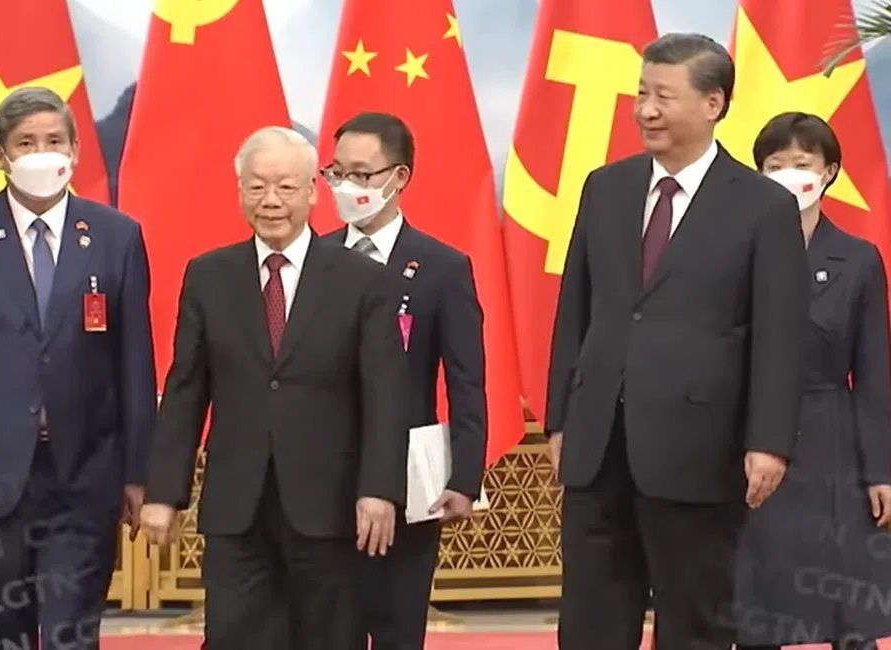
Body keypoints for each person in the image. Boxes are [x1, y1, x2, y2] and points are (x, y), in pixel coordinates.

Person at [545, 34, 809, 650]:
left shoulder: (764, 206)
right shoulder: (605, 187)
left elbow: (779, 335)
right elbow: (575, 311)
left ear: (713, 103)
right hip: (598, 444)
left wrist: (769, 442)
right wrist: (561, 417)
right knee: (589, 619)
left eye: (663, 96)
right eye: (642, 94)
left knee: (695, 619)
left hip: (700, 448)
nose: (646, 110)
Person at [139, 126, 410, 650]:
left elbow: (385, 396)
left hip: (330, 508)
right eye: (257, 186)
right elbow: (186, 390)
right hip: (237, 508)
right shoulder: (209, 276)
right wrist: (164, 493)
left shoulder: (362, 280)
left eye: (285, 187)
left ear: (312, 190)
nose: (271, 201)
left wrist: (379, 490)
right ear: (240, 190)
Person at [0, 87, 157, 648]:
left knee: (73, 633)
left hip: (84, 478)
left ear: (75, 150)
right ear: (0, 156)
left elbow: (134, 366)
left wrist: (138, 472)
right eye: (26, 143)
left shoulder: (116, 237)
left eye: (54, 140)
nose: (41, 153)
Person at [321, 112, 487, 650]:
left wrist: (465, 477)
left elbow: (466, 380)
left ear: (399, 177)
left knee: (396, 629)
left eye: (362, 174)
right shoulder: (314, 259)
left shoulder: (442, 267)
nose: (346, 186)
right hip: (319, 482)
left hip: (407, 481)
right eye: (337, 173)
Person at [734, 112, 891, 650]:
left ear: (829, 173)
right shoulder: (735, 253)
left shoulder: (859, 259)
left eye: (802, 164)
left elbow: (873, 374)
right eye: (774, 165)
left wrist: (880, 472)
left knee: (846, 602)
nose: (789, 176)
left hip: (831, 439)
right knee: (757, 603)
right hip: (750, 437)